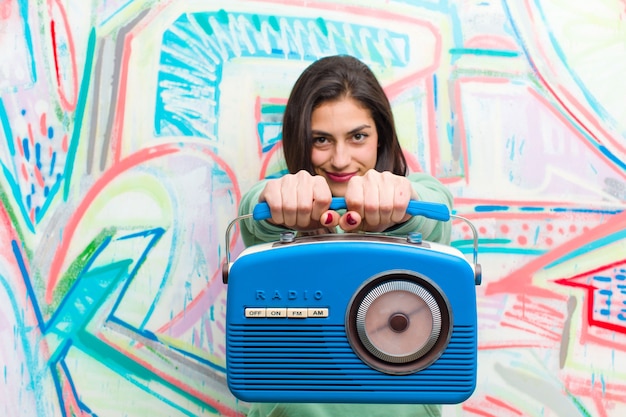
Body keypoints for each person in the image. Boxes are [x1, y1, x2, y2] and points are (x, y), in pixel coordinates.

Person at [238, 55, 453, 417]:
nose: (340, 160)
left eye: (357, 137)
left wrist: (399, 207)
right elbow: (255, 215)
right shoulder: (278, 199)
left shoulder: (417, 193)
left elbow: (435, 215)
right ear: (297, 139)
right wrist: (276, 203)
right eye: (321, 139)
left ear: (380, 136)